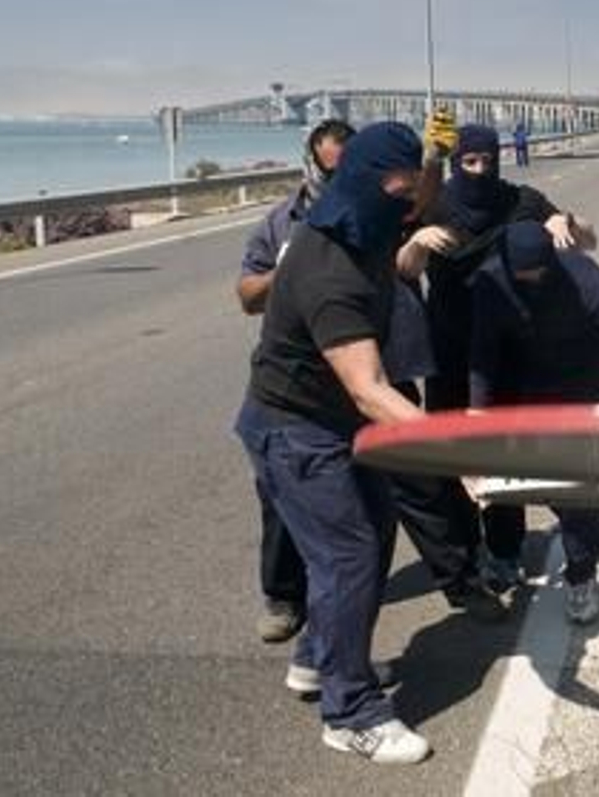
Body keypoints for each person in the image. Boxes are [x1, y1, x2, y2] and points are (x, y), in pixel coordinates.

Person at [233, 122, 432, 765]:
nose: (409, 203)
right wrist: (460, 453)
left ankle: (318, 658)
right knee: (347, 555)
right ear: (370, 184)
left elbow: (421, 198)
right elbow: (372, 388)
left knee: (374, 533)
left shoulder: (368, 220)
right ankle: (350, 713)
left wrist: (439, 159)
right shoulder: (329, 264)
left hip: (332, 420)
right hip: (294, 430)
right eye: (399, 188)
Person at [397, 121, 593, 604]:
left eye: (487, 161)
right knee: (450, 458)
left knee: (503, 457)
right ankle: (463, 552)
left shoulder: (519, 200)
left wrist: (564, 222)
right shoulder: (435, 204)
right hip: (448, 352)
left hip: (507, 350)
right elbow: (401, 271)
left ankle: (505, 552)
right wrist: (418, 243)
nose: (479, 171)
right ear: (458, 160)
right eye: (469, 162)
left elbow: (589, 240)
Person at [468, 221, 599, 624]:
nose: (534, 281)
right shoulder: (490, 283)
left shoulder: (582, 277)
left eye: (541, 273)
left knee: (573, 488)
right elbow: (483, 357)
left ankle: (581, 575)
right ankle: (596, 540)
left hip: (588, 385)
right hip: (534, 385)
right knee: (556, 488)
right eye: (525, 277)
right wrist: (477, 417)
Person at [236, 119, 354, 643]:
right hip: (294, 379)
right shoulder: (281, 222)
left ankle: (462, 576)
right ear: (311, 163)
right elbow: (245, 296)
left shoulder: (371, 215)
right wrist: (286, 271)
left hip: (360, 371)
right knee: (281, 496)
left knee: (408, 486)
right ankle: (284, 597)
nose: (335, 180)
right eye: (327, 168)